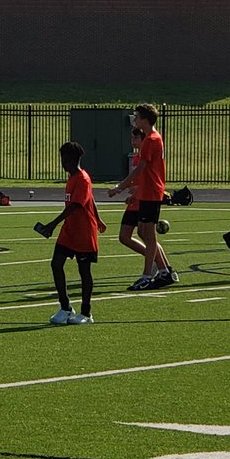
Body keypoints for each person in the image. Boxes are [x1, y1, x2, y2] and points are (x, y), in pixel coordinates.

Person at [107, 104, 173, 290]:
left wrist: (119, 187)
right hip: (147, 193)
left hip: (151, 192)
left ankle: (149, 274)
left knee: (148, 235)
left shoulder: (151, 140)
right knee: (144, 232)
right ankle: (162, 271)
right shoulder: (152, 139)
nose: (135, 119)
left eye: (137, 117)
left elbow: (141, 169)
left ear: (145, 119)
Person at [40, 141, 103, 325]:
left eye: (63, 158)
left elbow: (76, 205)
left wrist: (52, 224)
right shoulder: (72, 177)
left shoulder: (82, 178)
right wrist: (99, 218)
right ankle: (66, 307)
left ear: (68, 160)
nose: (61, 162)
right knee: (56, 264)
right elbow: (90, 198)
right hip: (69, 231)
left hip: (83, 232)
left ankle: (86, 313)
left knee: (84, 271)